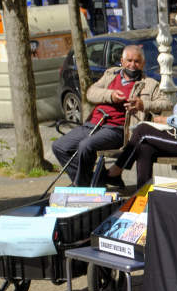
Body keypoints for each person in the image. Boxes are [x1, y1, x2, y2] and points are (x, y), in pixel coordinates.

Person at [104, 46, 177, 188]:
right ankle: (143, 196)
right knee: (144, 147)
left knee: (142, 130)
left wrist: (166, 120)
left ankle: (115, 171)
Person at [51, 44, 169, 185]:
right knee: (59, 146)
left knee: (85, 146)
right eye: (129, 61)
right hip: (93, 123)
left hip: (117, 129)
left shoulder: (149, 84)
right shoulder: (110, 75)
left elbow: (166, 104)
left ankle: (84, 186)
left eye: (137, 61)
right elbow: (90, 93)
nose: (132, 65)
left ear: (142, 64)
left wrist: (142, 105)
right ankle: (94, 181)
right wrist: (110, 95)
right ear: (122, 61)